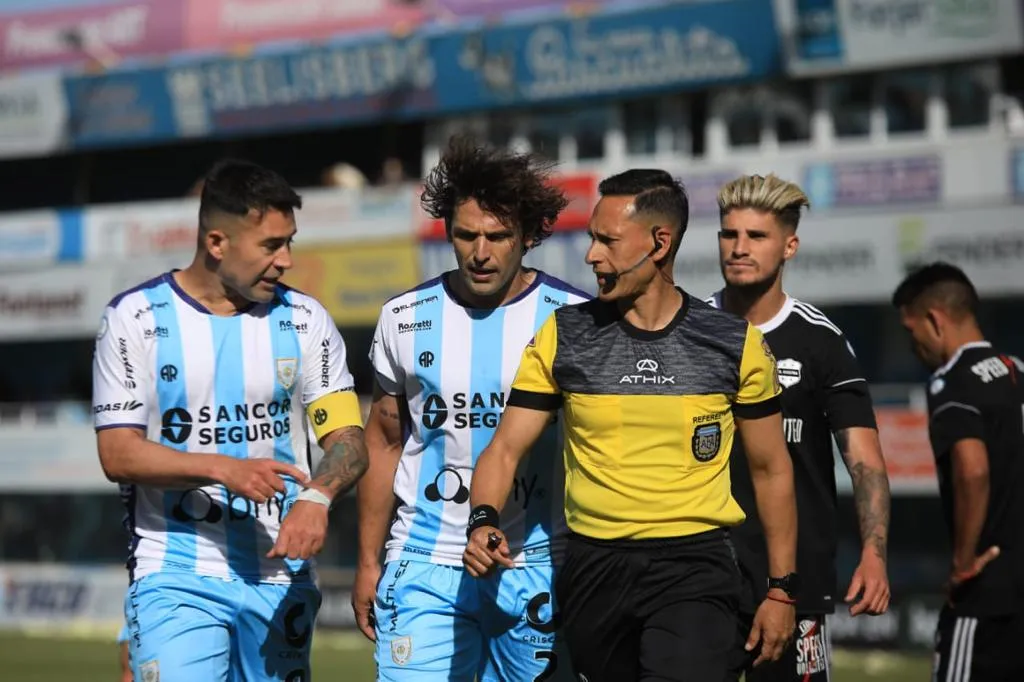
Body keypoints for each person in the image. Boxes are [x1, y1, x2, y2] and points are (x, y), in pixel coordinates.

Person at [464, 169, 799, 682]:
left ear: (659, 243)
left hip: (696, 567)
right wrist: (483, 518)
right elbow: (506, 448)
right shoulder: (565, 335)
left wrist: (781, 588)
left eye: (607, 240)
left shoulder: (735, 343)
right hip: (593, 568)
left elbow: (772, 469)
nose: (591, 255)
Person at [92, 159, 369, 682]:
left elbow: (349, 441)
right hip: (175, 571)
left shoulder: (306, 320)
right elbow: (118, 454)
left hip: (279, 574)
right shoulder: (135, 318)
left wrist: (317, 499)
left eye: (290, 242)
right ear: (217, 243)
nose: (286, 260)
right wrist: (224, 468)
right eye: (271, 245)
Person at [353, 136, 588, 681]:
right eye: (466, 235)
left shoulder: (573, 318)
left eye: (498, 236)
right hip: (425, 563)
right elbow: (384, 442)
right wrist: (369, 563)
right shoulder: (404, 318)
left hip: (539, 565)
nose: (480, 252)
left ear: (528, 237)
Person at [706, 174, 892, 681]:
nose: (739, 248)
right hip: (702, 577)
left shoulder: (822, 342)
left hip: (795, 585)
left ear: (790, 245)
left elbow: (866, 462)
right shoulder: (691, 330)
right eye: (729, 234)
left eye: (756, 236)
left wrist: (873, 557)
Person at [892, 262, 1024, 681]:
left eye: (911, 333)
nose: (914, 348)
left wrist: (963, 561)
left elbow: (972, 471)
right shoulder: (1017, 371)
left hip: (987, 594)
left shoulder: (952, 383)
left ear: (934, 320)